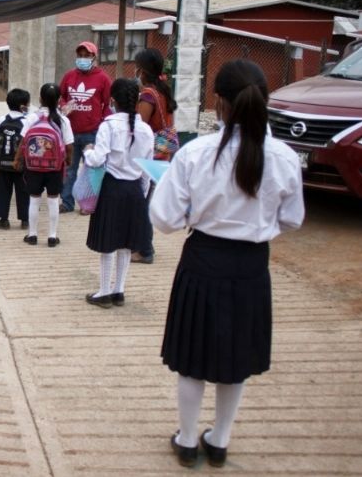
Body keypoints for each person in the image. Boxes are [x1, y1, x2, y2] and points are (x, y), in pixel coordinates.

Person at [150, 60, 304, 468]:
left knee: (192, 359)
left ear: (218, 102)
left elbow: (163, 218)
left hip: (203, 260)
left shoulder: (196, 154)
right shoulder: (285, 157)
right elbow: (292, 219)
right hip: (252, 266)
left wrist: (193, 216)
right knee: (234, 360)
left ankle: (186, 439)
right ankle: (219, 440)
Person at [82, 79, 154, 308]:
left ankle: (103, 292)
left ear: (112, 100)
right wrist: (141, 194)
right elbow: (147, 168)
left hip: (112, 188)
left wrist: (87, 153)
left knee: (108, 243)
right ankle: (119, 291)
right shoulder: (146, 129)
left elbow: (99, 158)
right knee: (125, 242)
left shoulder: (109, 125)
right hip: (134, 189)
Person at [131, 48, 178, 265]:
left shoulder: (148, 95)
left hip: (150, 155)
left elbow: (140, 127)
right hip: (162, 153)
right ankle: (143, 246)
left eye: (137, 67)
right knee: (147, 200)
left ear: (143, 70)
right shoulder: (163, 91)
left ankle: (144, 249)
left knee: (143, 203)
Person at [13, 83, 74, 247]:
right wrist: (68, 161)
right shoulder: (63, 120)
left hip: (33, 166)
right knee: (54, 200)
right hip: (55, 167)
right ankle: (52, 236)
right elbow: (69, 146)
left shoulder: (32, 118)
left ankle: (32, 234)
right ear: (60, 100)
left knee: (34, 199)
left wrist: (17, 159)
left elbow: (24, 141)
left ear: (40, 99)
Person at [58, 40, 113, 214]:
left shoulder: (103, 78)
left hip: (93, 132)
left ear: (94, 57)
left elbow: (108, 104)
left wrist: (103, 123)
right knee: (69, 169)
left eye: (86, 56)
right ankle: (66, 202)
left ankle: (88, 204)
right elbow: (61, 97)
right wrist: (64, 106)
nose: (82, 59)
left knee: (92, 170)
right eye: (80, 56)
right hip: (71, 133)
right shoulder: (69, 76)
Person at [0, 88, 31, 230]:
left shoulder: (2, 119)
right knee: (24, 191)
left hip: (3, 164)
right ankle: (25, 220)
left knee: (3, 191)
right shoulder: (27, 121)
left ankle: (3, 219)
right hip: (21, 164)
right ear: (24, 105)